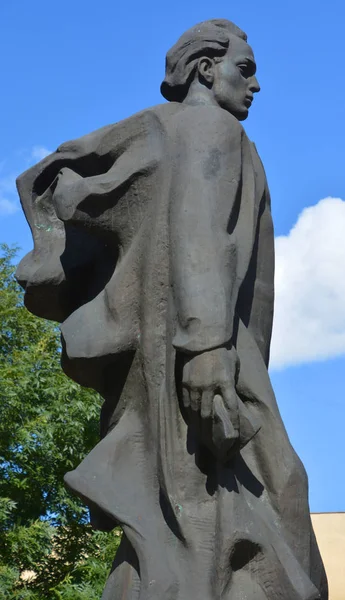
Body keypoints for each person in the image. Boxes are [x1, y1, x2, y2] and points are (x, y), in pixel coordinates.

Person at [16, 19, 327, 600]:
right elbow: (199, 234)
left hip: (176, 349)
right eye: (246, 68)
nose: (256, 85)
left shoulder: (170, 132)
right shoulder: (211, 128)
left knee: (185, 516)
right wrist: (208, 351)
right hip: (202, 353)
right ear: (206, 69)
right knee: (265, 497)